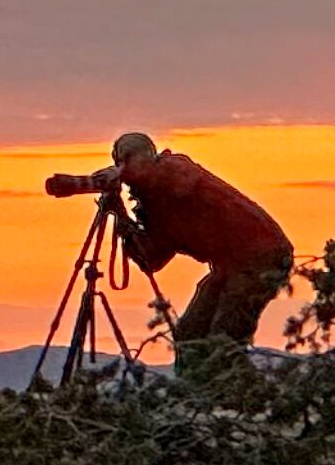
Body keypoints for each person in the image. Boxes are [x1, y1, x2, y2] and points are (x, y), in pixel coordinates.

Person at [45, 131, 295, 350]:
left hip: (262, 255)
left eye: (126, 160)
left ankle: (232, 397)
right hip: (230, 264)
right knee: (190, 336)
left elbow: (178, 185)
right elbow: (151, 258)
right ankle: (201, 393)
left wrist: (127, 179)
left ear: (146, 157)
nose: (123, 168)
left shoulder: (175, 169)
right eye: (118, 162)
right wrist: (122, 217)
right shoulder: (157, 205)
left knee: (223, 340)